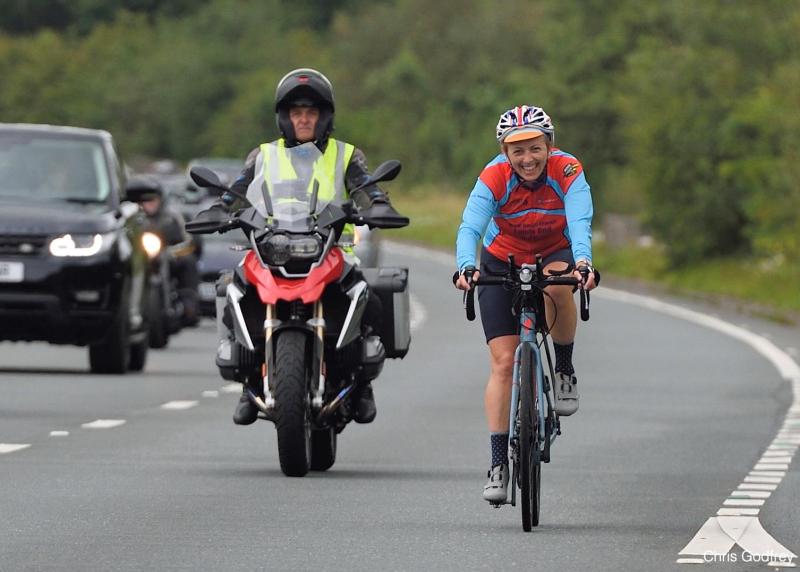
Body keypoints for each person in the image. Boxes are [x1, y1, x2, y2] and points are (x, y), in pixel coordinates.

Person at [193, 68, 408, 426]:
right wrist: (219, 209)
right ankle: (248, 383)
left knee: (367, 298)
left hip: (331, 246)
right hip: (271, 245)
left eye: (311, 112)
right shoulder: (262, 156)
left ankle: (362, 384)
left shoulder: (346, 155)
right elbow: (237, 191)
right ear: (285, 117)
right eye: (297, 112)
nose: (304, 118)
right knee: (235, 293)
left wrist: (378, 207)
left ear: (324, 117)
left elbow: (368, 189)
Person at [454, 105, 598, 504]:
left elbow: (579, 220)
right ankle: (499, 463)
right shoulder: (494, 176)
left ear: (549, 145)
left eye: (534, 148)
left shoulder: (567, 171)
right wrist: (466, 266)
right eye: (517, 151)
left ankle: (565, 368)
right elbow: (470, 227)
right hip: (503, 258)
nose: (527, 159)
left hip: (555, 251)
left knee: (557, 287)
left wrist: (583, 262)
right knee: (502, 363)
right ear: (505, 152)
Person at [134, 176, 200, 326]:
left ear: (160, 199)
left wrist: (172, 252)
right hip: (140, 259)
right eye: (144, 200)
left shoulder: (173, 218)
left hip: (169, 256)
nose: (148, 204)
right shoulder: (133, 219)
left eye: (152, 200)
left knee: (188, 261)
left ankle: (189, 304)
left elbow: (188, 240)